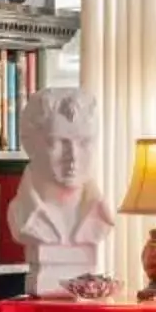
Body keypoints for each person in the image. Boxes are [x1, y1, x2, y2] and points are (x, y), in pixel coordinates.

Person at [8, 86, 117, 296]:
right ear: (30, 144)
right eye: (57, 142)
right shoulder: (20, 215)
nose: (73, 156)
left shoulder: (102, 216)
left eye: (84, 142)